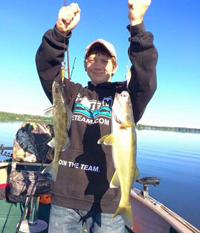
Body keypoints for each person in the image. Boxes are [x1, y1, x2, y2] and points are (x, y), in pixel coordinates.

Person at [36, 0, 158, 232]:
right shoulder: (71, 93)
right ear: (84, 64)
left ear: (114, 67)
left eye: (105, 60)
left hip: (108, 201)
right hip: (65, 198)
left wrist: (137, 25)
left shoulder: (124, 97)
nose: (98, 64)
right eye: (92, 59)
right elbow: (46, 67)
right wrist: (59, 32)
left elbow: (146, 77)